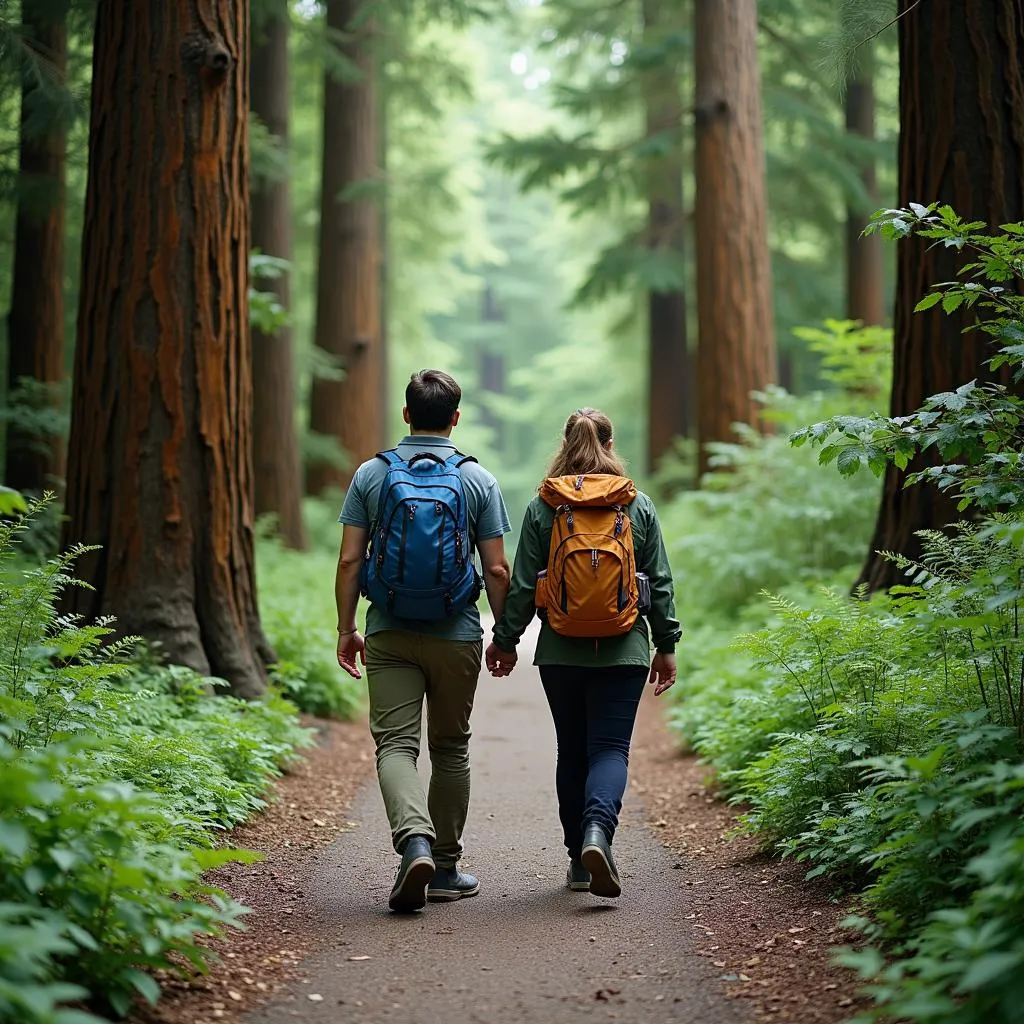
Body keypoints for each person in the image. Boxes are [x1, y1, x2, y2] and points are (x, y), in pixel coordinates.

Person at [335, 370, 512, 913]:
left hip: (388, 629)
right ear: (455, 419)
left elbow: (348, 560)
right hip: (456, 630)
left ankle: (414, 842)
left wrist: (347, 629)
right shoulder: (477, 479)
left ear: (406, 414)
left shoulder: (372, 473)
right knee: (451, 746)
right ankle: (446, 866)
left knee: (396, 746)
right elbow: (499, 569)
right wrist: (502, 636)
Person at [485, 408, 680, 898]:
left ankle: (577, 858)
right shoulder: (636, 504)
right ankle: (599, 832)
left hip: (560, 650)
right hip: (626, 648)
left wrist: (506, 640)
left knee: (571, 750)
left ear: (564, 444)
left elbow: (527, 583)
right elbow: (658, 582)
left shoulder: (544, 506)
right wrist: (667, 644)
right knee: (610, 749)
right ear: (610, 445)